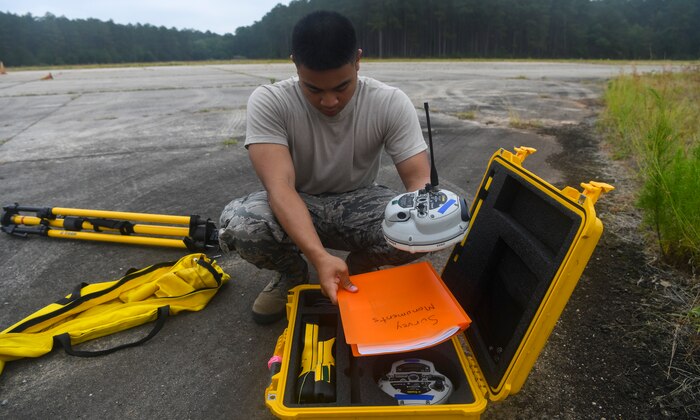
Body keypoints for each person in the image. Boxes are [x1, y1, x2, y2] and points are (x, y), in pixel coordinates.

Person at [218, 10, 431, 324]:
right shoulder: (270, 101)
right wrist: (319, 258)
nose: (329, 101)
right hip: (299, 200)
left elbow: (418, 182)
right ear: (295, 64)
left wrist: (431, 217)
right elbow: (280, 187)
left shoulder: (389, 102)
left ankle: (361, 265)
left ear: (358, 60)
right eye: (314, 90)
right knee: (241, 223)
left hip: (359, 199)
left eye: (342, 87)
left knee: (423, 225)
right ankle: (292, 274)